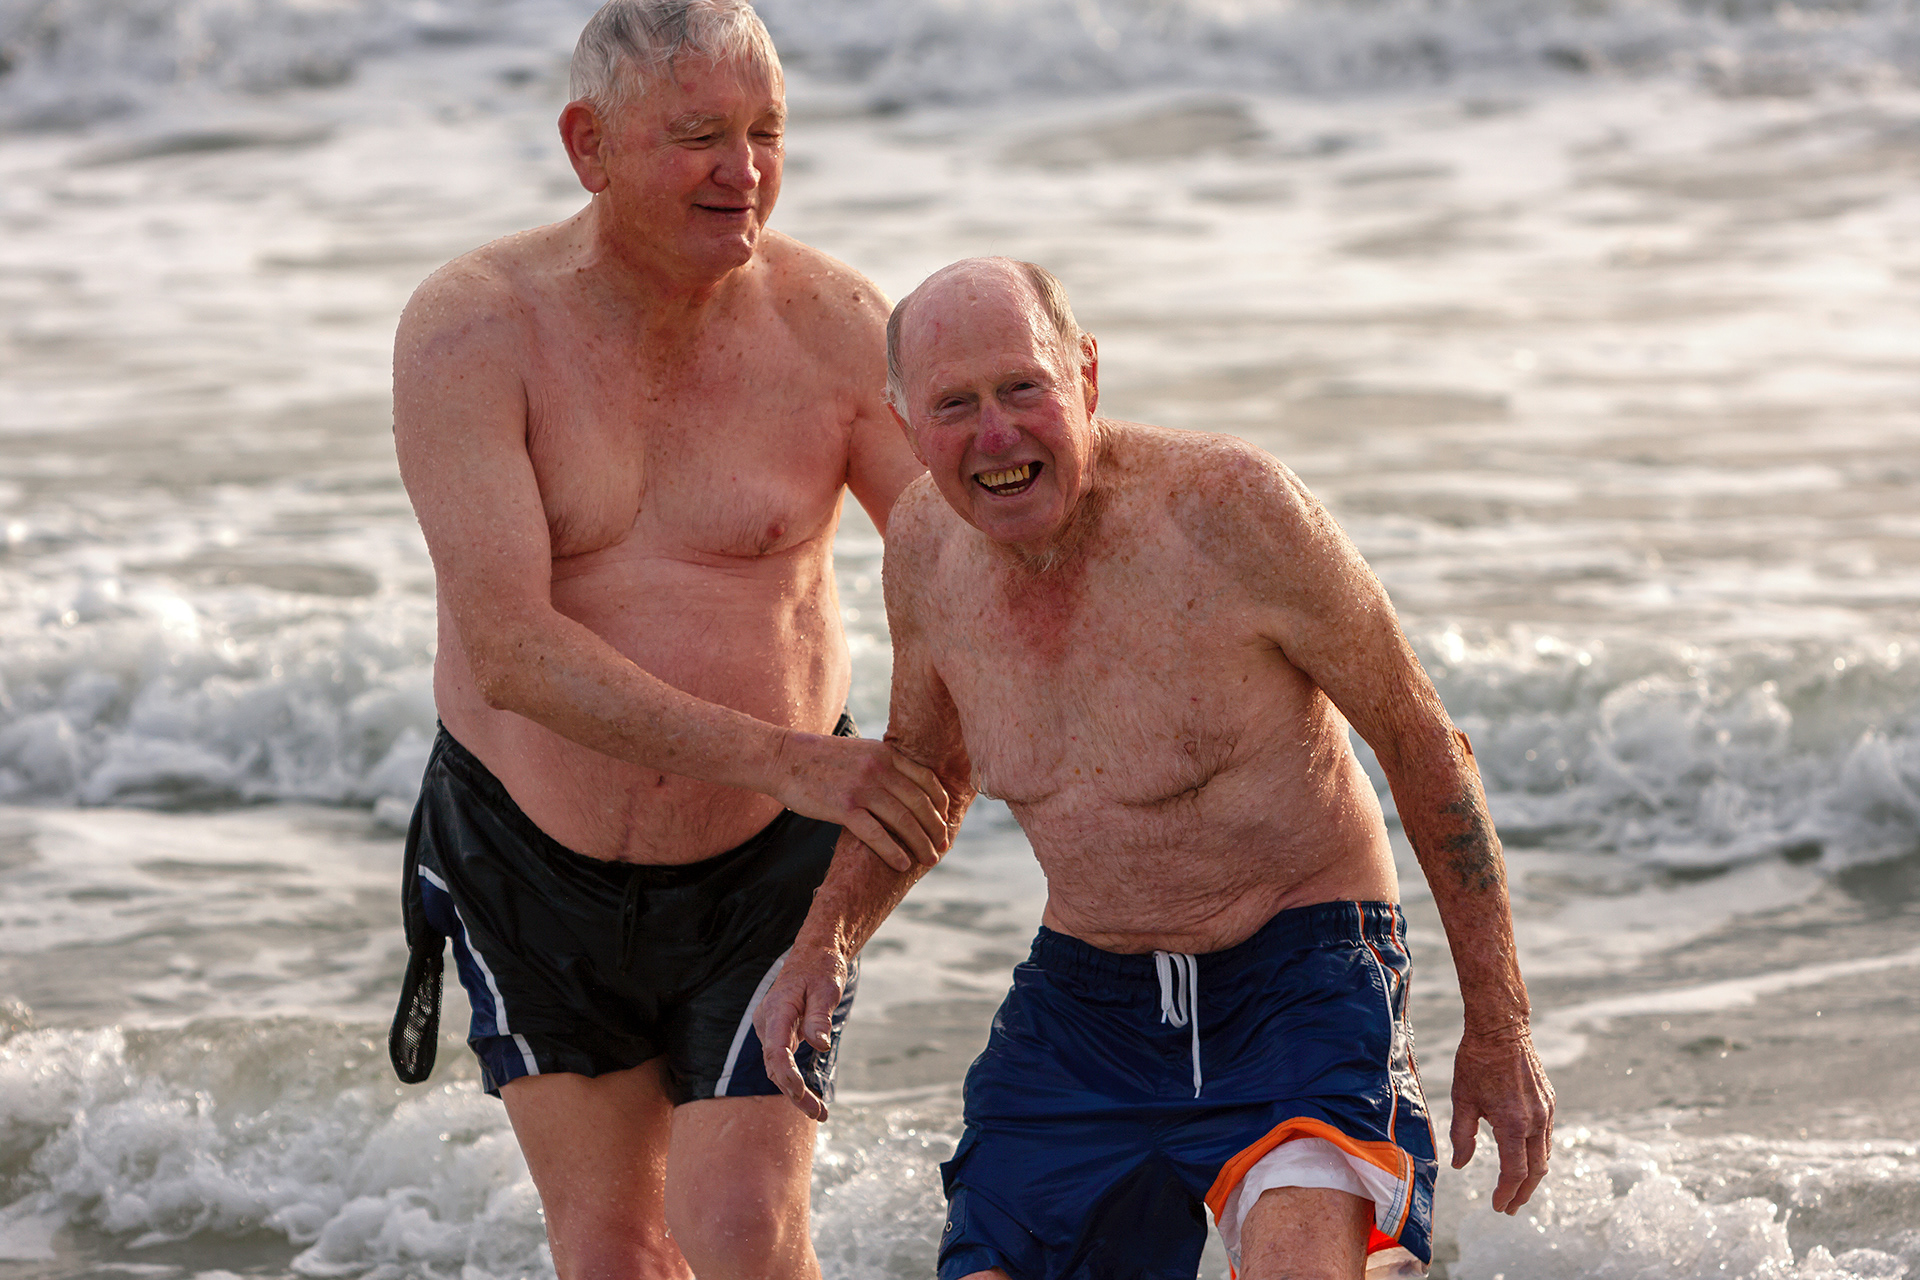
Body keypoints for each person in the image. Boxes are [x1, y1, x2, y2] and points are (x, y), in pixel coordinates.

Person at [756, 258, 1555, 1280]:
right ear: (907, 423)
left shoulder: (1232, 510)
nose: (996, 436)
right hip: (1088, 1005)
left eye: (1023, 389)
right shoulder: (923, 547)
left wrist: (1499, 1023)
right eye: (956, 405)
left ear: (1086, 378)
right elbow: (929, 772)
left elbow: (1420, 736)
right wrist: (828, 939)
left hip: (1297, 973)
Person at [385, 2, 953, 1277]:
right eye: (700, 135)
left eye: (767, 132)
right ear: (589, 146)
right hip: (527, 858)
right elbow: (511, 650)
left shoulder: (837, 326)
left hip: (768, 867)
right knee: (612, 1254)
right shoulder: (475, 326)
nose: (743, 170)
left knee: (745, 1233)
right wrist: (785, 755)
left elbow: (963, 565)